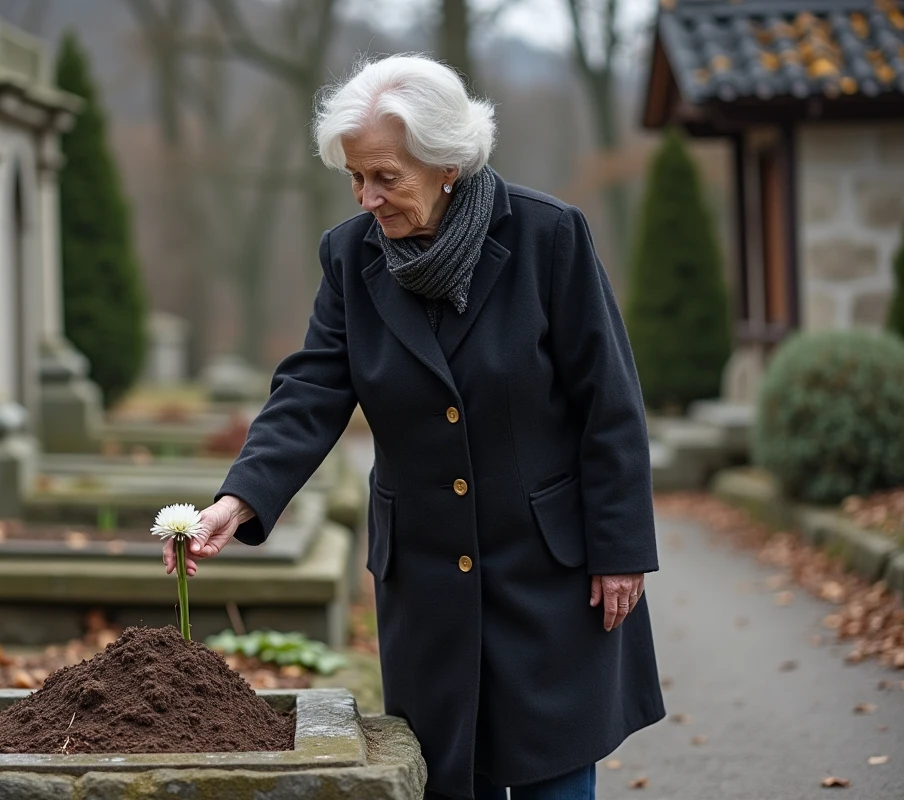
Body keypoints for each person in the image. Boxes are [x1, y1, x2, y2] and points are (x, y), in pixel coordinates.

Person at [162, 54, 665, 800]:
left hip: (549, 571)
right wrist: (240, 499)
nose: (368, 198)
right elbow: (312, 388)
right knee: (446, 776)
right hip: (427, 579)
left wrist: (620, 551)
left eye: (386, 177)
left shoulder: (547, 236)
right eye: (356, 178)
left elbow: (610, 405)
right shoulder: (349, 255)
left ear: (447, 163)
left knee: (554, 774)